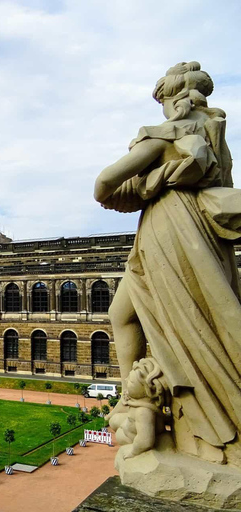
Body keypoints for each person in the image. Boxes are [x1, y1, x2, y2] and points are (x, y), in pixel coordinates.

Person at [95, 61, 241, 463]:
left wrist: (145, 182)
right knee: (201, 316)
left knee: (173, 320)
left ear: (170, 100)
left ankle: (141, 403)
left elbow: (103, 185)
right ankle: (139, 401)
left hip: (169, 228)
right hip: (197, 231)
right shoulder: (216, 135)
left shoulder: (167, 134)